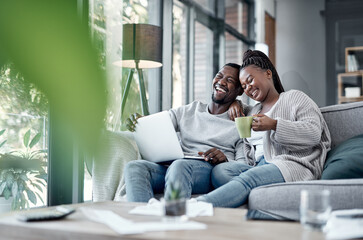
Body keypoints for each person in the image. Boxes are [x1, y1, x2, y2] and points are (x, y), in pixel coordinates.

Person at [197, 50, 331, 208]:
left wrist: (274, 125)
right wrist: (236, 103)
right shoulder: (253, 111)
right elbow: (248, 149)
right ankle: (249, 190)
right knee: (221, 171)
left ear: (268, 73)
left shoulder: (294, 97)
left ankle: (198, 206)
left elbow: (313, 133)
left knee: (248, 179)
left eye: (250, 80)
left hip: (290, 165)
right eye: (244, 86)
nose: (247, 88)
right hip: (257, 167)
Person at [124, 63, 249, 202]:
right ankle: (142, 219)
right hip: (175, 166)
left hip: (206, 172)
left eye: (230, 80)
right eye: (219, 76)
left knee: (179, 166)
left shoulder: (240, 122)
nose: (221, 82)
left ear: (239, 91)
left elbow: (243, 165)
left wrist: (224, 159)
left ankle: (173, 219)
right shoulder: (190, 110)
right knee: (134, 167)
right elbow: (159, 123)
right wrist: (140, 123)